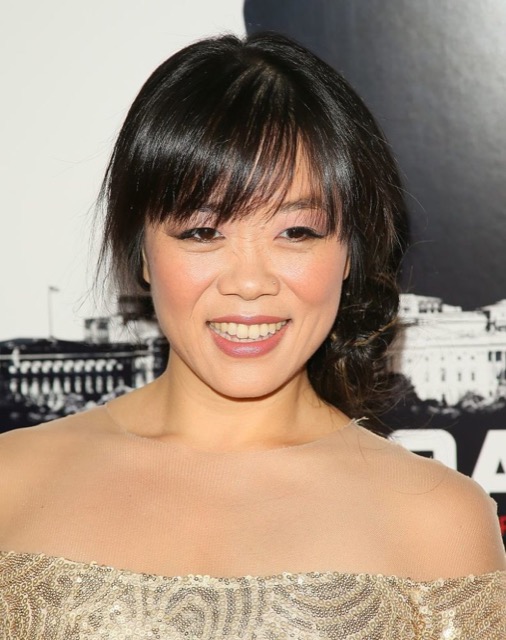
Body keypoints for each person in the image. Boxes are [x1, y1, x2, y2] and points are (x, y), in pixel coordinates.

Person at [0, 32, 504, 639]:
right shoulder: (11, 482)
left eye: (296, 232)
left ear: (350, 251)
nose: (248, 282)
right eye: (202, 232)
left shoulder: (439, 520)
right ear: (142, 251)